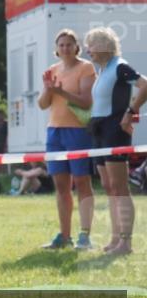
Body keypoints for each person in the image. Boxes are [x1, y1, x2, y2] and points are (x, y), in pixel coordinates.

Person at [84, 27, 147, 255]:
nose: (88, 49)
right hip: (99, 130)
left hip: (115, 130)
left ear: (105, 46)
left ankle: (126, 242)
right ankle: (115, 239)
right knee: (109, 187)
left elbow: (145, 85)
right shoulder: (102, 70)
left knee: (120, 187)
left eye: (92, 44)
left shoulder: (120, 66)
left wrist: (131, 111)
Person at [37, 28, 97, 250]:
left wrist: (61, 93)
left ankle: (85, 236)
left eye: (69, 44)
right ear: (56, 49)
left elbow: (85, 102)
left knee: (82, 182)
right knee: (61, 187)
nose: (65, 48)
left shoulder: (86, 68)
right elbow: (43, 104)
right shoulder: (53, 70)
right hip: (55, 132)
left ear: (76, 47)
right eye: (61, 45)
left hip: (78, 131)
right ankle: (64, 236)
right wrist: (49, 89)